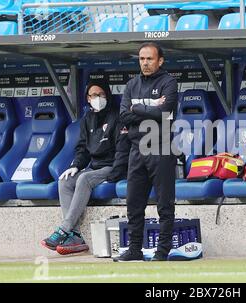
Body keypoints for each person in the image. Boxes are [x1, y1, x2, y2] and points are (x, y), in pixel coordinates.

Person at [41, 79, 131, 255]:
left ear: (107, 95)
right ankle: (75, 236)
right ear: (88, 99)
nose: (98, 98)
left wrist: (114, 174)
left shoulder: (118, 116)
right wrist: (75, 165)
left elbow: (123, 150)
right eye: (94, 95)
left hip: (113, 167)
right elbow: (82, 148)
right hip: (95, 167)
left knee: (84, 178)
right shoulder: (87, 119)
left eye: (101, 94)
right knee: (65, 180)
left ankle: (65, 229)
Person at [113, 42, 178, 262]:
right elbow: (123, 115)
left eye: (149, 59)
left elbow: (166, 114)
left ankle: (162, 251)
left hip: (161, 148)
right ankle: (134, 249)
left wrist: (137, 108)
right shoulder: (132, 84)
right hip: (136, 149)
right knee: (133, 203)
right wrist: (151, 108)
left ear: (160, 61)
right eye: (141, 59)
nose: (145, 63)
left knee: (164, 204)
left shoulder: (169, 82)